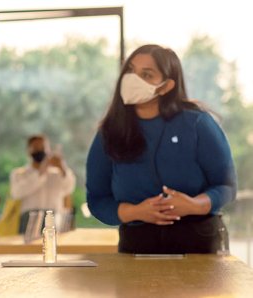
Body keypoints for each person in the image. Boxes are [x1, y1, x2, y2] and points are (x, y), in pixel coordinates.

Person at [86, 44, 236, 254]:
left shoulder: (197, 123)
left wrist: (195, 205)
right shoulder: (109, 132)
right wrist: (136, 212)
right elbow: (97, 200)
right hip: (137, 245)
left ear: (166, 86)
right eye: (130, 70)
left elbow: (227, 186)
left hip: (199, 243)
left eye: (146, 74)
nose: (132, 79)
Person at [10, 134, 76, 234]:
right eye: (36, 147)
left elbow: (69, 188)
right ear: (28, 150)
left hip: (54, 218)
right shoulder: (19, 174)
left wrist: (62, 168)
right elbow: (16, 193)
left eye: (43, 147)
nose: (40, 150)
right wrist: (40, 173)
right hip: (29, 219)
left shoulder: (57, 173)